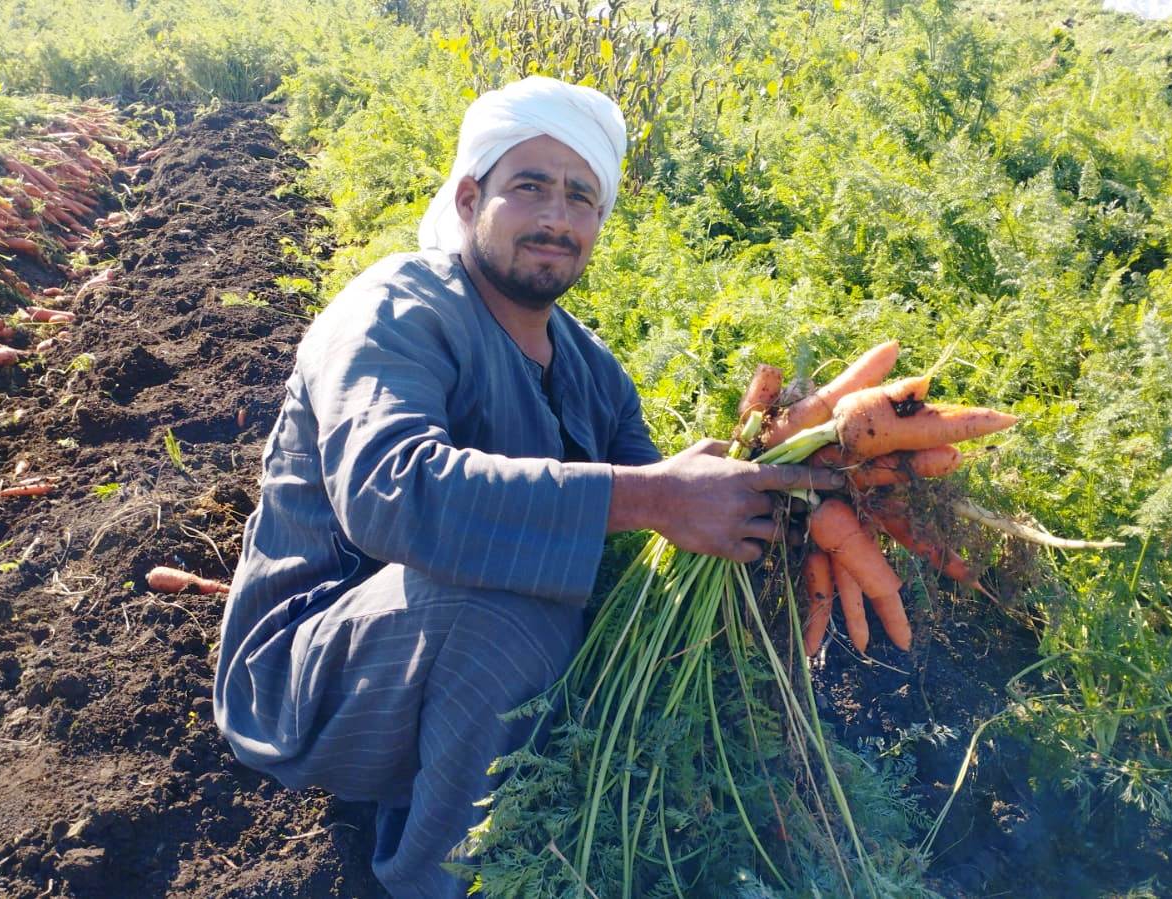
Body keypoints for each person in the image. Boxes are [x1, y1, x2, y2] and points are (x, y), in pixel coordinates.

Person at [212, 76, 840, 898]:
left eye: (582, 197)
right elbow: (388, 489)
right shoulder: (393, 309)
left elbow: (639, 539)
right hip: (315, 678)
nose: (556, 217)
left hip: (456, 677)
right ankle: (441, 879)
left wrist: (753, 507)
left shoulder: (591, 370)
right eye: (530, 188)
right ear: (471, 197)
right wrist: (652, 496)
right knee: (501, 611)